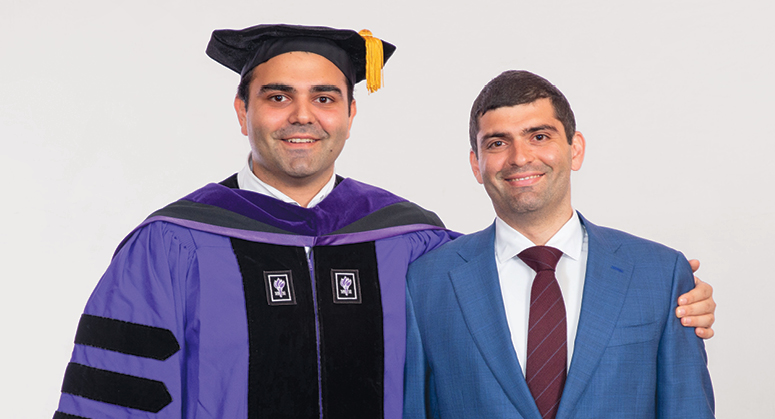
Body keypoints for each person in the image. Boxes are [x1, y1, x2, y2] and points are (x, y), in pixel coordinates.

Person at [52, 25, 714, 419]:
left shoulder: (410, 243)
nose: (302, 116)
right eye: (277, 97)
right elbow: (113, 403)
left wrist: (669, 296)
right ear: (241, 111)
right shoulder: (170, 249)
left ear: (350, 113)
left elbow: (521, 298)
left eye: (325, 97)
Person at [403, 70, 714, 418]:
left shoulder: (660, 275)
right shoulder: (425, 283)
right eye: (497, 143)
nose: (520, 157)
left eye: (539, 136)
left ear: (575, 149)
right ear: (477, 164)